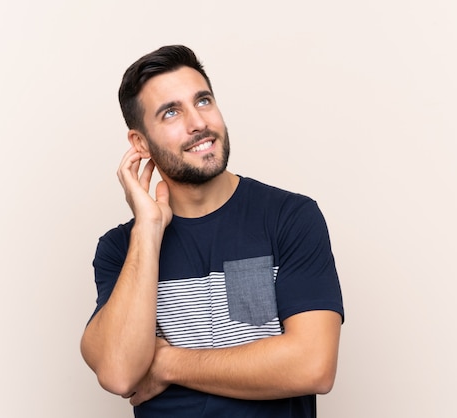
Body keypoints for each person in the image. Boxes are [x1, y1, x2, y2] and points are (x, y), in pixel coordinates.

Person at [80, 45, 344, 418]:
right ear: (140, 144)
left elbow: (313, 365)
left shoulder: (289, 217)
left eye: (203, 101)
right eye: (171, 112)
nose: (197, 123)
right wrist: (148, 229)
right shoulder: (121, 249)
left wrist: (168, 363)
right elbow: (120, 374)